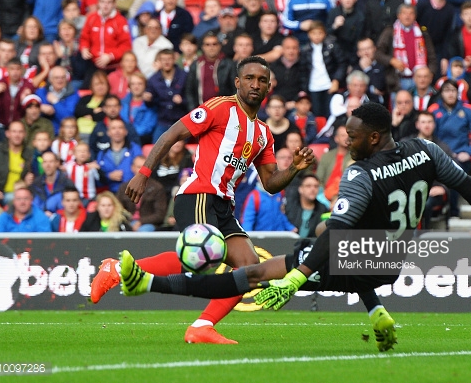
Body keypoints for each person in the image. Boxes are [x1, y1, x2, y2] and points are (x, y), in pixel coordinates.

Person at [118, 101, 471, 353]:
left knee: (255, 275)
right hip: (391, 260)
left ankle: (147, 285)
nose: (346, 141)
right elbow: (469, 185)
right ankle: (379, 312)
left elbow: (337, 236)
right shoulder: (426, 150)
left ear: (373, 136)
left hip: (356, 255)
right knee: (320, 233)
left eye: (352, 136)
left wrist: (296, 278)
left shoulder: (359, 174)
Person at [90, 56, 315, 344]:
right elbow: (173, 133)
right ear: (237, 82)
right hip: (198, 195)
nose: (255, 84)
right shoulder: (220, 108)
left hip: (224, 204)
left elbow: (270, 183)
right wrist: (144, 172)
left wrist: (294, 168)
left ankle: (202, 326)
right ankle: (117, 269)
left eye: (261, 80)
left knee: (250, 267)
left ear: (269, 86)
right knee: (197, 260)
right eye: (249, 78)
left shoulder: (263, 134)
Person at [428, 79, 471, 216]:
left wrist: (468, 152)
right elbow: (432, 136)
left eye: (453, 90)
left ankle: (453, 210)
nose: (450, 94)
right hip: (441, 155)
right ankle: (435, 205)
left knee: (453, 170)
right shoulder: (435, 111)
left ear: (457, 93)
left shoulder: (467, 110)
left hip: (460, 156)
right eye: (447, 90)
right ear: (441, 93)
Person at [79, 0, 132, 85]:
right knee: (85, 91)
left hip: (114, 66)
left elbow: (126, 46)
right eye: (103, 2)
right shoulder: (91, 18)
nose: (105, 5)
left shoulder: (120, 21)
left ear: (114, 4)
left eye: (109, 2)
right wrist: (84, 48)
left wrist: (110, 56)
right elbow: (84, 38)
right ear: (98, 3)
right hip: (94, 64)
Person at [0, 121, 32, 206]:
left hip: (21, 194)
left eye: (20, 132)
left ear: (24, 134)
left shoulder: (30, 153)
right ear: (7, 134)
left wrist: (30, 180)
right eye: (14, 132)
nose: (17, 135)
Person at [144, 49, 188, 141]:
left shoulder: (184, 76)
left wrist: (182, 101)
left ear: (174, 59)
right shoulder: (153, 79)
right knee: (156, 148)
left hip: (181, 121)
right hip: (163, 122)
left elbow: (192, 98)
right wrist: (148, 99)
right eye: (163, 59)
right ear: (159, 61)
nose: (166, 62)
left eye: (169, 59)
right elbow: (150, 104)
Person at [117, 155, 167, 232]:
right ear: (132, 168)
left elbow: (160, 214)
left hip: (149, 224)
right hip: (128, 222)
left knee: (143, 231)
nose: (141, 170)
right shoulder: (124, 187)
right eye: (138, 167)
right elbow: (118, 209)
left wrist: (141, 221)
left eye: (144, 167)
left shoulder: (157, 188)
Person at [96, 118, 142, 193]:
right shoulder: (102, 154)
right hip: (110, 194)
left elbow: (140, 170)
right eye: (113, 128)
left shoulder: (135, 149)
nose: (117, 131)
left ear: (126, 132)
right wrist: (109, 176)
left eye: (120, 128)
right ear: (108, 132)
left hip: (131, 192)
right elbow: (98, 179)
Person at [0, 58, 34, 127]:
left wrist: (25, 101)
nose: (15, 72)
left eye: (18, 69)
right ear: (7, 69)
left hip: (20, 125)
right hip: (0, 124)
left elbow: (31, 109)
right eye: (12, 69)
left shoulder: (28, 85)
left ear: (22, 70)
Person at [35, 66, 80, 131]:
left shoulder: (73, 93)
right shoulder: (41, 92)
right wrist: (40, 108)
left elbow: (68, 118)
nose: (60, 80)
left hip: (63, 133)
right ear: (50, 79)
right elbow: (32, 112)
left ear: (67, 79)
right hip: (43, 131)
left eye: (63, 77)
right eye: (56, 78)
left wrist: (55, 102)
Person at [285, 172, 328, 237]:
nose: (313, 189)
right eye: (308, 186)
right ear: (300, 189)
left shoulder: (323, 209)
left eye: (316, 186)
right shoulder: (289, 206)